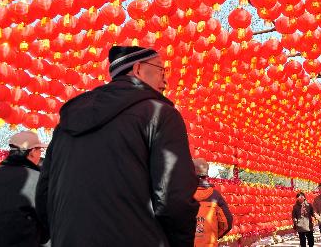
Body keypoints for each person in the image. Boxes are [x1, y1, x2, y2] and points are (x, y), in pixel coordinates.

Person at [36, 46, 199, 247]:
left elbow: (44, 195)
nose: (165, 80)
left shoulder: (66, 125)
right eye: (161, 70)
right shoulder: (159, 114)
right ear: (138, 69)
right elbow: (174, 199)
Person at [0, 131, 49, 246]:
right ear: (32, 152)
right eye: (39, 150)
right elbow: (48, 222)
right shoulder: (38, 180)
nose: (40, 154)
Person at [193, 158, 233, 246]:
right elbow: (227, 223)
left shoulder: (181, 196)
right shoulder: (215, 196)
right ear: (206, 175)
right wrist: (214, 236)